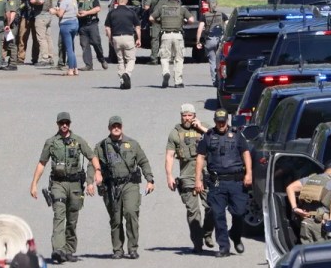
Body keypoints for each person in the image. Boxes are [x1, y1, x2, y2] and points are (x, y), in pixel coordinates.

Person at [30, 112, 102, 264]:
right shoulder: (51, 142)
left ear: (70, 124)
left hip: (75, 184)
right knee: (59, 214)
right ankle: (58, 249)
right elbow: (42, 163)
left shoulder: (78, 141)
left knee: (72, 218)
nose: (64, 125)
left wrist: (98, 172)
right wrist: (34, 184)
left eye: (66, 123)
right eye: (61, 123)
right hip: (58, 184)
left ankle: (68, 250)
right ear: (57, 124)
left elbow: (92, 156)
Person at [90, 116, 154, 259]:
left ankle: (132, 248)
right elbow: (92, 163)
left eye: (118, 125)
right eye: (113, 126)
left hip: (130, 184)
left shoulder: (132, 144)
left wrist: (150, 179)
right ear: (109, 128)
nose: (116, 128)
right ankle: (118, 249)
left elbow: (143, 161)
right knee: (116, 219)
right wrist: (92, 180)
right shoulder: (101, 146)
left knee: (131, 213)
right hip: (111, 186)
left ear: (122, 127)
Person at [194, 109, 252, 257]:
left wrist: (249, 173)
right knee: (218, 215)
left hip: (236, 181)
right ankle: (224, 247)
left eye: (223, 121)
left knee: (239, 213)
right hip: (217, 182)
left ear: (227, 120)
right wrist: (198, 179)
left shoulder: (237, 134)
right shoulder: (208, 136)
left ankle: (235, 235)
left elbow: (245, 153)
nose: (221, 124)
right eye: (218, 121)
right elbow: (200, 157)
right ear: (214, 121)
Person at [165, 104, 215, 254]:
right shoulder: (175, 133)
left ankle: (207, 233)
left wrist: (201, 128)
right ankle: (197, 242)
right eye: (184, 115)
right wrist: (169, 175)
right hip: (187, 176)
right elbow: (169, 156)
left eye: (189, 115)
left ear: (194, 115)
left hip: (206, 174)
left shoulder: (205, 128)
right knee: (193, 211)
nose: (186, 118)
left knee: (212, 207)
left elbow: (218, 139)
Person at [285, 159, 331, 244]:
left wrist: (295, 208)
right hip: (322, 222)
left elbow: (290, 188)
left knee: (307, 250)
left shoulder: (309, 179)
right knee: (321, 251)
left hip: (305, 220)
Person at [150, 0, 195, 88]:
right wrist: (184, 22)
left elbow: (151, 18)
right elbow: (191, 20)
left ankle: (166, 72)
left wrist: (158, 22)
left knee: (164, 57)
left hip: (165, 35)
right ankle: (178, 81)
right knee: (178, 58)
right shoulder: (181, 9)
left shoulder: (162, 8)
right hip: (178, 35)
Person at [104, 0, 141, 90]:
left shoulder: (112, 13)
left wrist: (110, 38)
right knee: (131, 59)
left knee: (120, 60)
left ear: (117, 1)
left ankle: (122, 81)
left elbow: (107, 28)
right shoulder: (131, 12)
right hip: (128, 37)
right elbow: (137, 27)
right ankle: (127, 73)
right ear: (126, 1)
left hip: (116, 37)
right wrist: (138, 38)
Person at [49, 0, 80, 76]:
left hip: (66, 24)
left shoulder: (64, 1)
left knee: (69, 49)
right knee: (72, 47)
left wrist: (54, 11)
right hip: (75, 22)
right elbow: (76, 12)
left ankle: (70, 69)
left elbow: (60, 14)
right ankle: (75, 68)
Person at [76, 0, 108, 71]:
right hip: (82, 25)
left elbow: (97, 8)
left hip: (92, 24)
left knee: (96, 43)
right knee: (84, 45)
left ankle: (102, 59)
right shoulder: (78, 0)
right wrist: (78, 14)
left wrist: (86, 13)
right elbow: (75, 10)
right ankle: (88, 65)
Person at [197, 0, 225, 86]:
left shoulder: (204, 16)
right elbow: (228, 25)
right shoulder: (222, 15)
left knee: (212, 61)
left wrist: (198, 41)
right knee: (221, 61)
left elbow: (200, 29)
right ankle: (221, 79)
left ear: (208, 5)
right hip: (220, 40)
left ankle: (215, 81)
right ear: (216, 4)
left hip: (210, 40)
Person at [31, 0, 55, 66]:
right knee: (48, 37)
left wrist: (34, 1)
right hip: (48, 15)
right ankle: (50, 56)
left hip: (41, 16)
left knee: (41, 38)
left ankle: (44, 58)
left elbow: (40, 1)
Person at [144, 0, 169, 65]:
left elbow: (146, 7)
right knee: (167, 39)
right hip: (167, 20)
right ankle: (168, 58)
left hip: (155, 20)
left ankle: (154, 59)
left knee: (155, 39)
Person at [17, 0, 39, 65]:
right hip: (25, 16)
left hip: (35, 17)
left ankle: (35, 58)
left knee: (36, 39)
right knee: (22, 37)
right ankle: (20, 58)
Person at [1, 0, 20, 69]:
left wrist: (8, 25)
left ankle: (13, 64)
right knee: (6, 43)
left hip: (11, 25)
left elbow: (12, 13)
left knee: (11, 43)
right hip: (7, 24)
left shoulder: (13, 0)